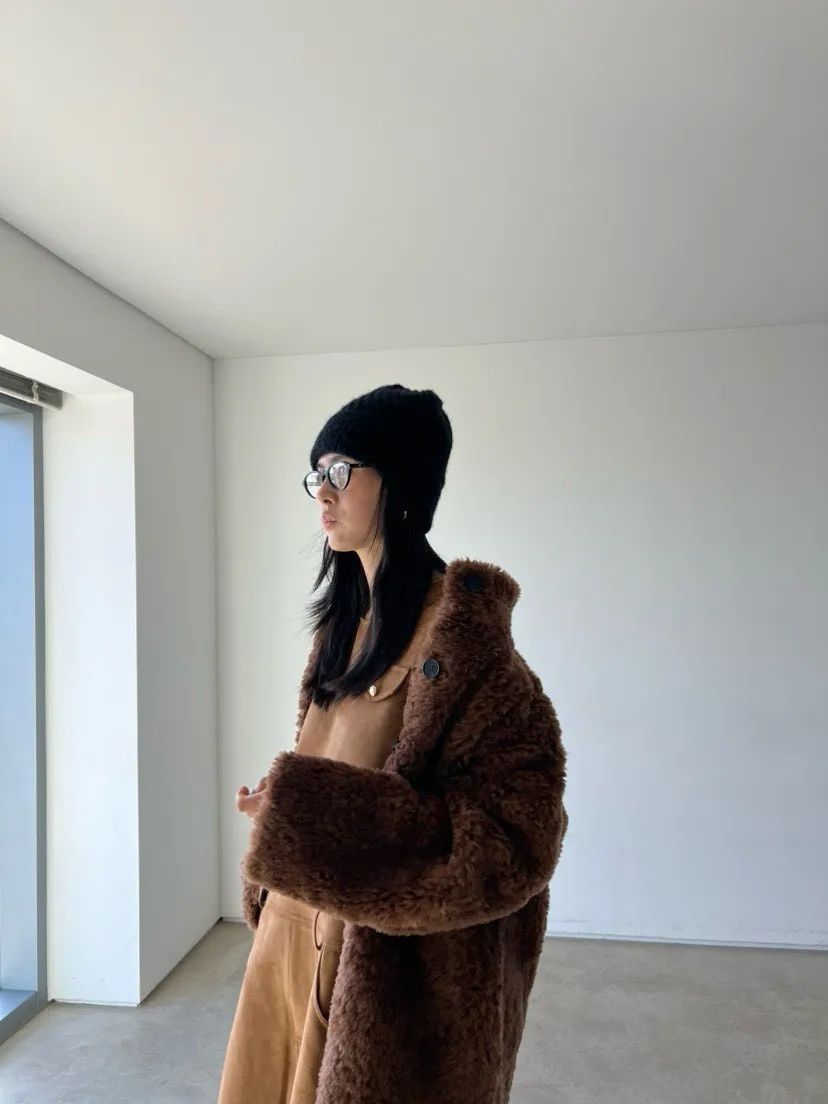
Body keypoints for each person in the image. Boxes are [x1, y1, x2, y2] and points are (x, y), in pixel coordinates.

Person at [218, 384, 568, 1104]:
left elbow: (515, 838)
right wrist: (285, 805)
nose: (323, 492)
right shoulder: (344, 627)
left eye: (342, 470)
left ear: (400, 483)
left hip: (373, 976)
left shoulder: (469, 650)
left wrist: (312, 810)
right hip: (289, 937)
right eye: (317, 473)